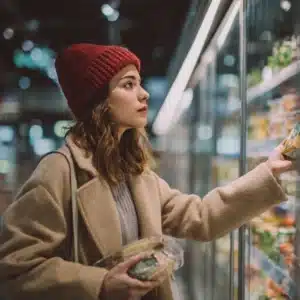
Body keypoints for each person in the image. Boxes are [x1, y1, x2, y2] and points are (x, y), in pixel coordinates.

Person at [0, 43, 294, 300]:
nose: (143, 95)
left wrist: (269, 170)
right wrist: (100, 285)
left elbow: (201, 217)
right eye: (128, 85)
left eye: (139, 84)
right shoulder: (59, 172)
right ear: (99, 101)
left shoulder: (137, 174)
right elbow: (15, 267)